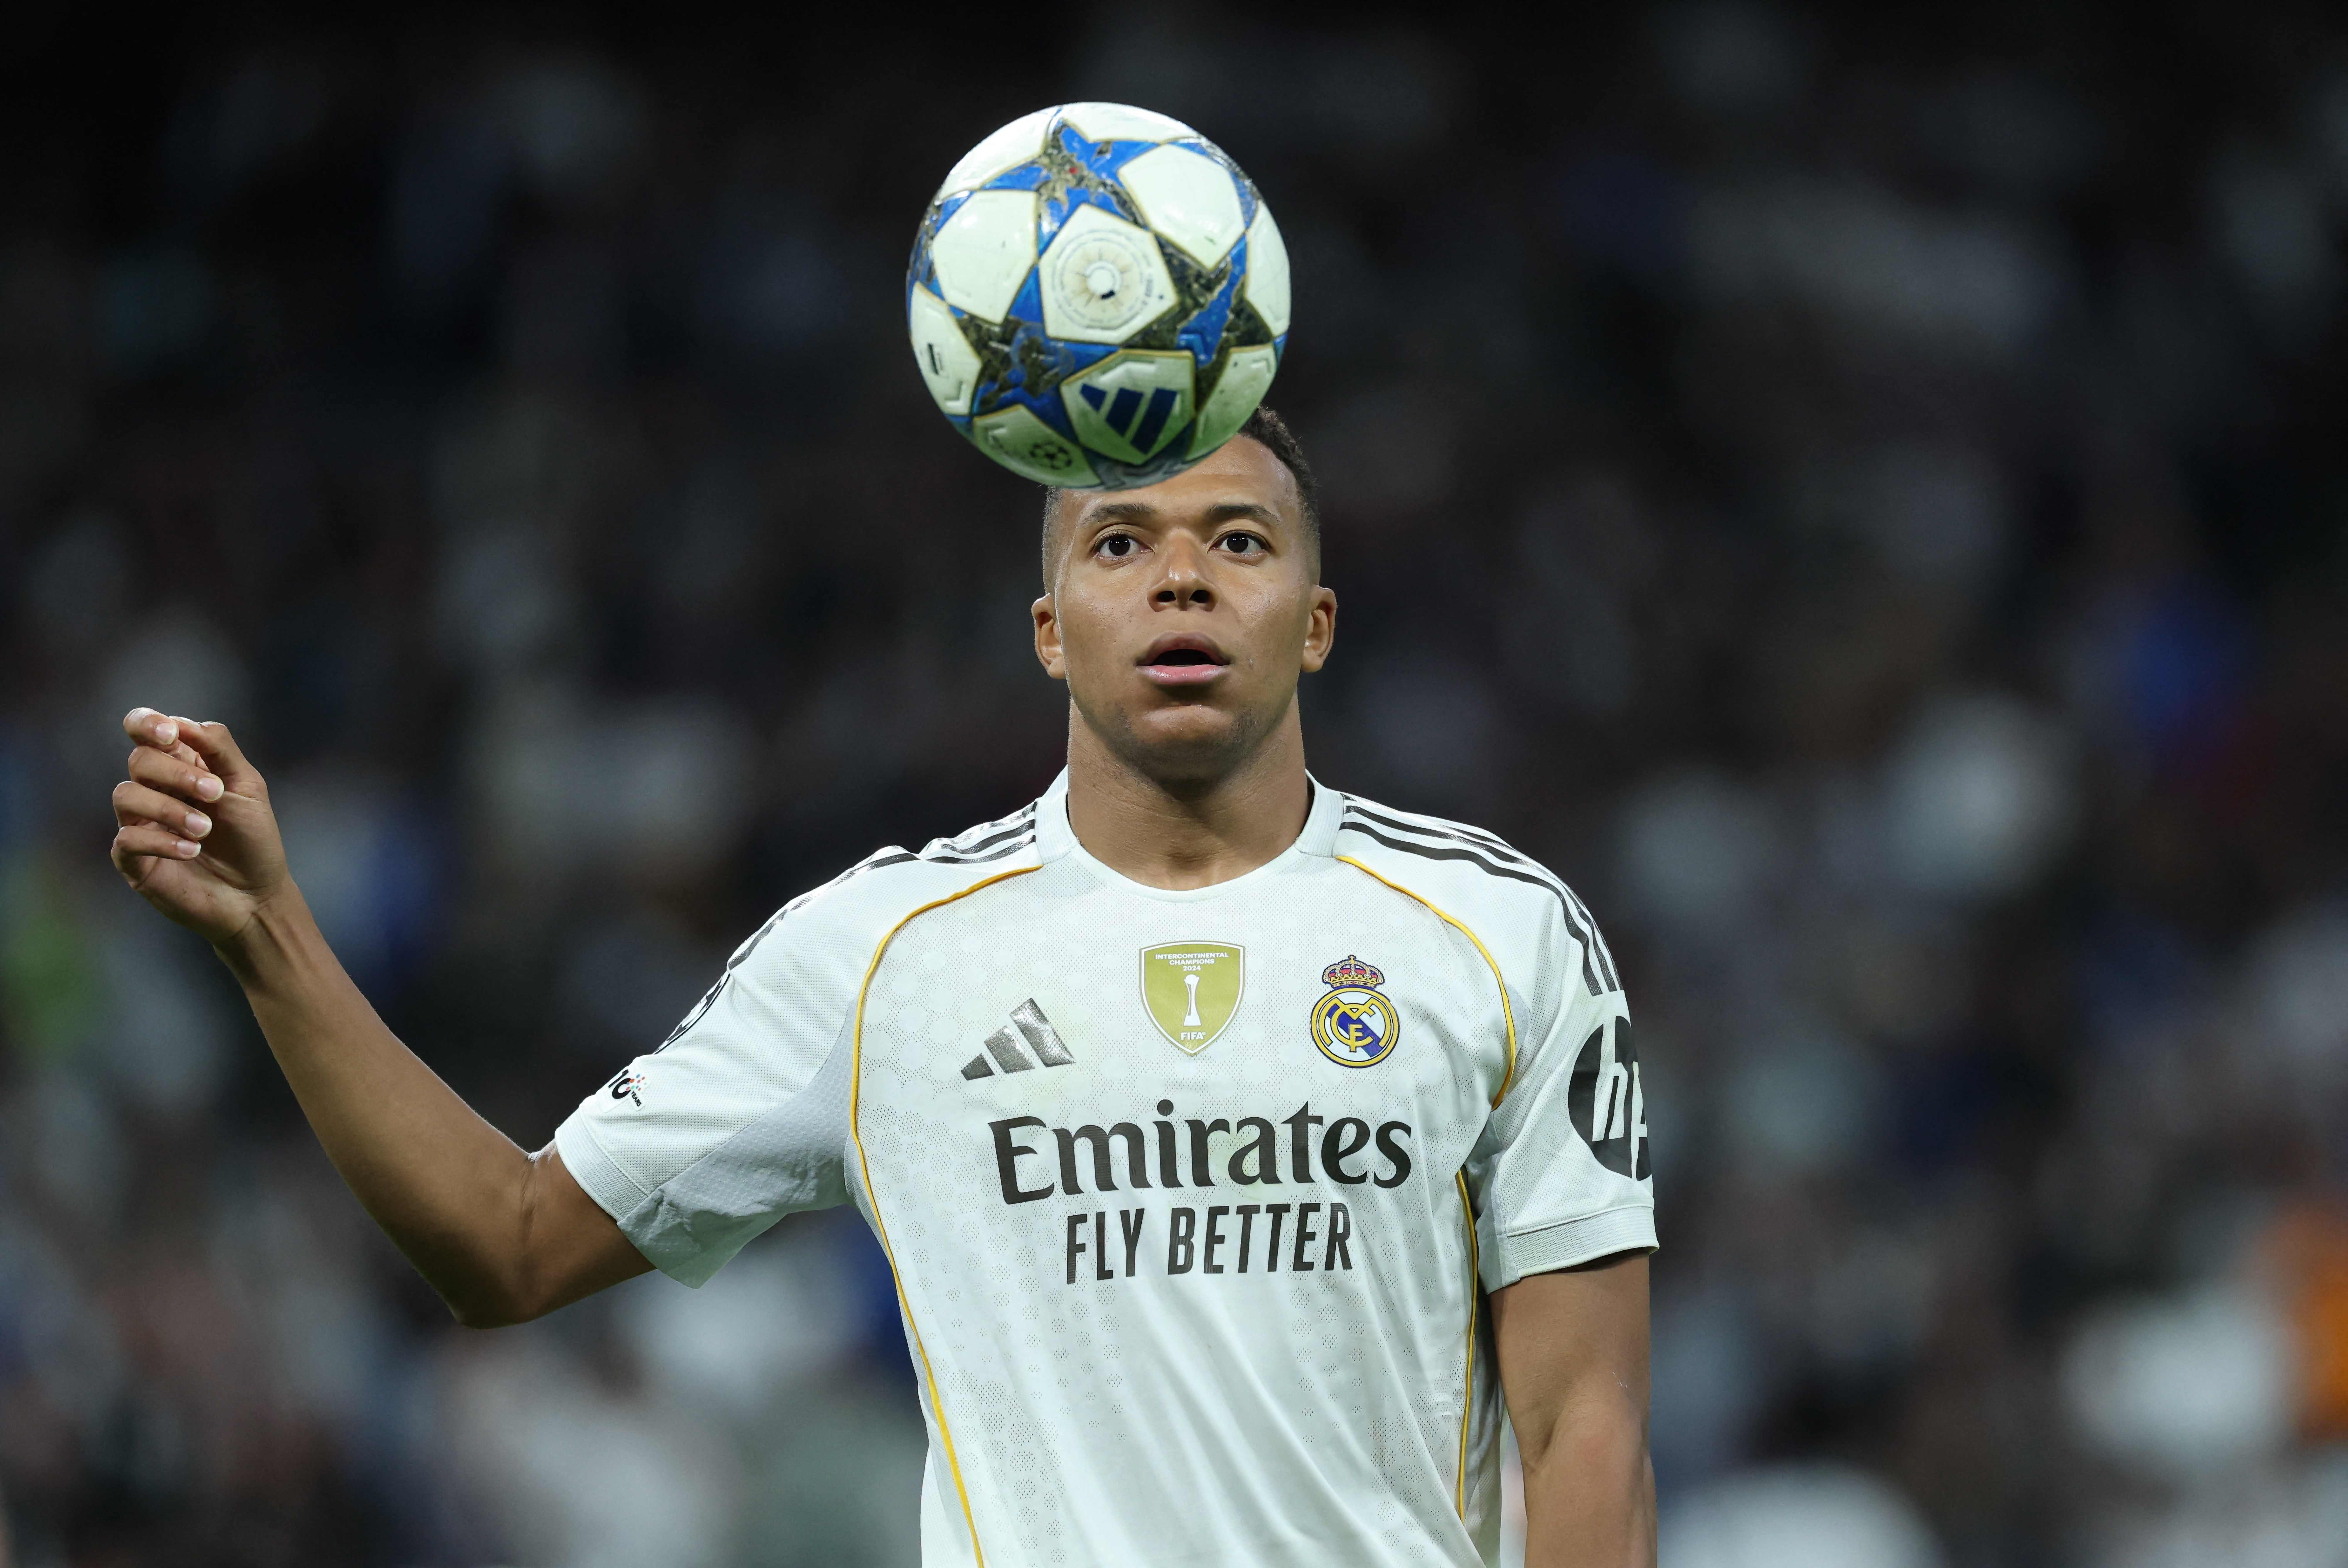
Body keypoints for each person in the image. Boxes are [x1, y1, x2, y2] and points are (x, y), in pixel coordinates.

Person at [107, 408, 1656, 1567]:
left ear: (1316, 624)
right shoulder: (886, 951)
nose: (1182, 578)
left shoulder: (1499, 934)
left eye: (1240, 541)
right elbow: (504, 1247)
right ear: (1052, 632)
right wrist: (274, 941)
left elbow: (1583, 1429)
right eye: (1121, 541)